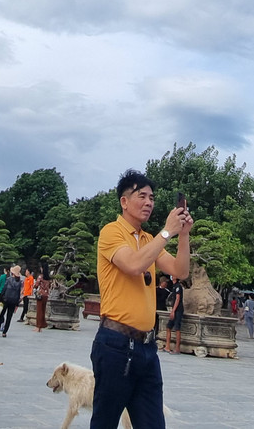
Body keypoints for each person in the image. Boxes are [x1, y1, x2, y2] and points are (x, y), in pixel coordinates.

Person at [92, 169, 193, 429]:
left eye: (152, 197)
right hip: (115, 344)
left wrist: (183, 234)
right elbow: (134, 265)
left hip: (147, 348)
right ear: (124, 202)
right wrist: (167, 232)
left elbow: (180, 271)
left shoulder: (149, 240)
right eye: (142, 196)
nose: (149, 202)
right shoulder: (111, 232)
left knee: (153, 424)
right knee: (104, 422)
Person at [0, 264, 23, 337]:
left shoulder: (8, 279)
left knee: (0, 315)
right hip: (13, 302)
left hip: (5, 300)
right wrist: (17, 304)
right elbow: (18, 294)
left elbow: (3, 290)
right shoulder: (19, 283)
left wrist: (0, 300)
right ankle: (4, 332)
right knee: (9, 317)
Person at [164, 275, 185, 353]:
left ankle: (177, 348)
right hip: (174, 308)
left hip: (178, 309)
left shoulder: (178, 286)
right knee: (168, 326)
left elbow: (178, 298)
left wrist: (173, 311)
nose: (172, 277)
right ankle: (167, 346)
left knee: (177, 327)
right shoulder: (174, 286)